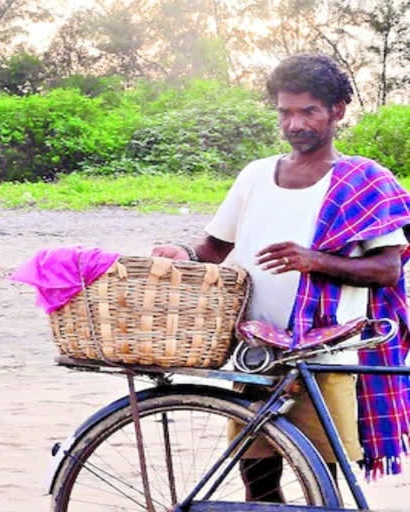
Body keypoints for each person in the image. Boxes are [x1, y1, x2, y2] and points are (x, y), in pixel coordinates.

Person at [152, 54, 410, 501]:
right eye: (285, 112)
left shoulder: (364, 180)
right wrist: (185, 255)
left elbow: (388, 269)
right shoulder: (255, 176)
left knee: (321, 483)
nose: (295, 123)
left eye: (308, 110)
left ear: (337, 111)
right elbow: (214, 249)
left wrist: (315, 260)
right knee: (259, 482)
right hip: (256, 353)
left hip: (326, 356)